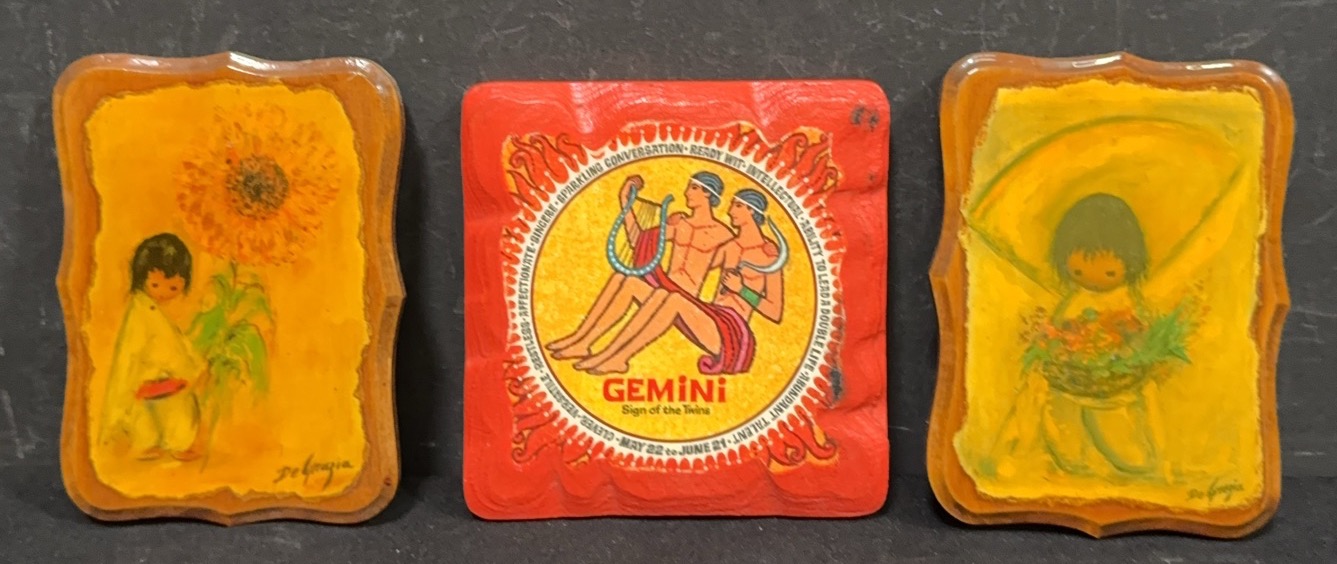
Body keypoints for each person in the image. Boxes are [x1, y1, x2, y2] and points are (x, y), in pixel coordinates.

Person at [577, 188, 785, 375]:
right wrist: (666, 226)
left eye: (737, 206)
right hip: (711, 317)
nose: (730, 211)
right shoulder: (728, 247)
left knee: (673, 298)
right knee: (645, 287)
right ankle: (599, 350)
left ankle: (618, 358)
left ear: (751, 211)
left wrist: (741, 290)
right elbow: (647, 244)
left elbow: (774, 312)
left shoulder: (769, 256)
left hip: (733, 334)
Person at [547, 171, 733, 359]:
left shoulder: (723, 234)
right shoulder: (680, 225)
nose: (686, 193)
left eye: (693, 188)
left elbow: (730, 279)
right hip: (664, 289)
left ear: (708, 193)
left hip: (686, 303)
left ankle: (612, 355)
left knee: (661, 294)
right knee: (622, 278)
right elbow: (639, 241)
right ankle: (581, 341)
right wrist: (625, 202)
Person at [100, 233, 206, 462]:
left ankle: (168, 444)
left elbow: (173, 345)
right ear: (141, 279)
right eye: (156, 285)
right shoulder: (141, 312)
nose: (163, 292)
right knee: (162, 413)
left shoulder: (152, 312)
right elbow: (144, 350)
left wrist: (191, 366)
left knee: (171, 411)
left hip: (161, 382)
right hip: (149, 381)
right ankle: (156, 444)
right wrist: (188, 368)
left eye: (173, 287)